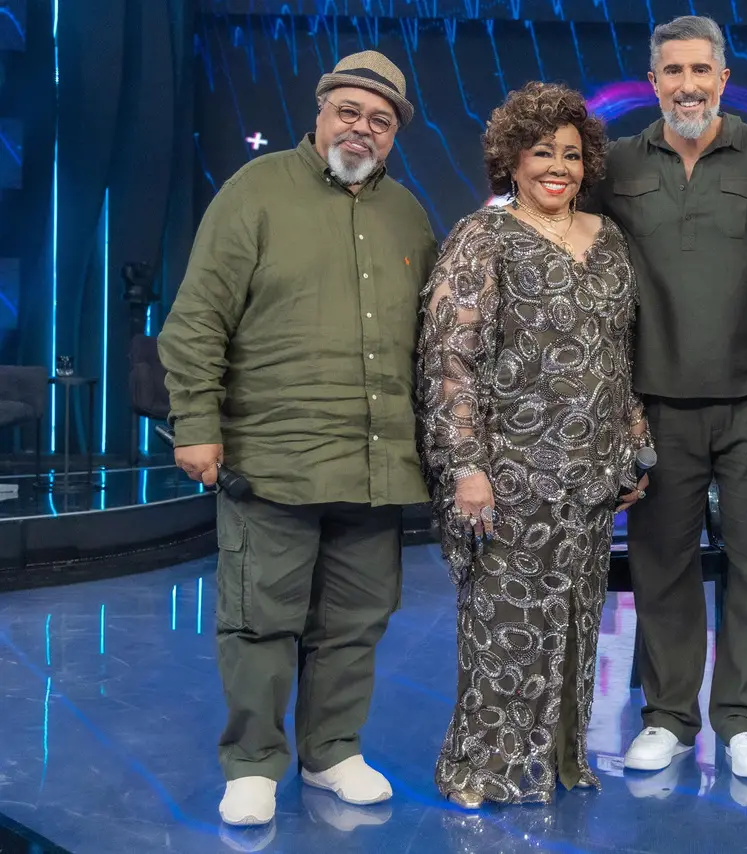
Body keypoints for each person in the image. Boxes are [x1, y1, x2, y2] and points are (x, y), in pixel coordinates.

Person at [158, 51, 438, 827]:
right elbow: (197, 319)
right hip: (272, 459)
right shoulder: (256, 191)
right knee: (261, 619)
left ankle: (332, 752)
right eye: (350, 112)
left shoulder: (408, 215)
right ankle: (252, 763)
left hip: (377, 466)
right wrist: (196, 426)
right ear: (319, 114)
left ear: (395, 136)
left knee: (355, 621)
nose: (363, 128)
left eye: (381, 121)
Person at [585, 15, 747, 779]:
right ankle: (669, 717)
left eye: (700, 70)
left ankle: (746, 718)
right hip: (655, 401)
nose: (687, 84)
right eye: (672, 71)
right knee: (661, 564)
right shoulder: (613, 165)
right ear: (653, 82)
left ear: (723, 77)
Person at [416, 81, 649, 809]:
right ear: (510, 162)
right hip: (507, 475)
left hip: (589, 481)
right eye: (541, 151)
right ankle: (484, 769)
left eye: (572, 154)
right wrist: (467, 467)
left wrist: (633, 442)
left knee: (575, 623)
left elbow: (617, 351)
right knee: (504, 629)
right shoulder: (483, 237)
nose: (559, 166)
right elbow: (449, 359)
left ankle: (554, 761)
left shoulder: (608, 241)